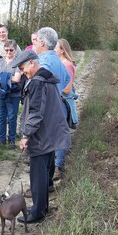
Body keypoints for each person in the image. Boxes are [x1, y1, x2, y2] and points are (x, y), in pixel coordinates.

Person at [11, 50, 70, 224]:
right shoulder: (45, 78)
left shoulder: (37, 82)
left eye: (23, 68)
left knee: (38, 176)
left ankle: (37, 213)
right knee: (44, 173)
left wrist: (26, 135)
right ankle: (41, 208)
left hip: (41, 136)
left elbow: (36, 113)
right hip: (50, 134)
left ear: (32, 62)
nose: (23, 72)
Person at [34, 27, 73, 186]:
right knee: (49, 152)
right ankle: (48, 184)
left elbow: (38, 92)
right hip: (55, 109)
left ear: (42, 42)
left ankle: (41, 190)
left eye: (36, 41)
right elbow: (66, 80)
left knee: (41, 156)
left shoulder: (44, 63)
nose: (34, 44)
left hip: (44, 114)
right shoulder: (58, 60)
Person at [53, 38, 79, 179]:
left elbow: (68, 88)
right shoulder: (61, 63)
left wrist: (53, 91)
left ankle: (59, 166)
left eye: (56, 47)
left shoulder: (67, 65)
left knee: (61, 134)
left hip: (62, 102)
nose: (54, 50)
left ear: (62, 50)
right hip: (59, 101)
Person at [0, 40, 22, 148]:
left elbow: (17, 78)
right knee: (1, 116)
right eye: (7, 50)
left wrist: (2, 77)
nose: (9, 52)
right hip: (0, 92)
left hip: (13, 94)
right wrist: (8, 77)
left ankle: (12, 139)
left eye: (11, 50)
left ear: (15, 50)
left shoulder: (18, 62)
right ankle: (1, 139)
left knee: (12, 116)